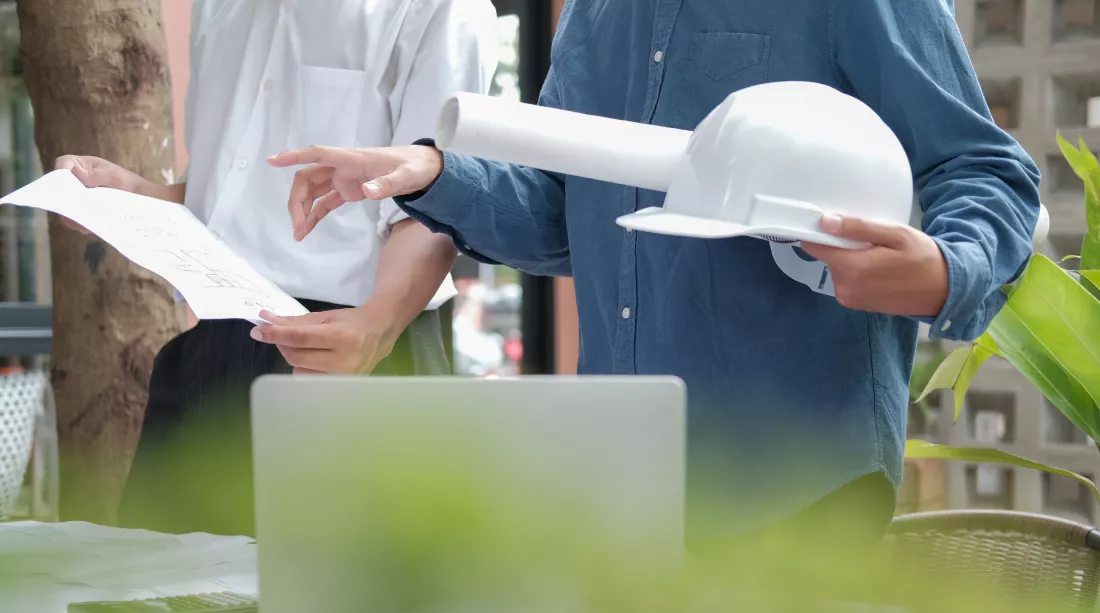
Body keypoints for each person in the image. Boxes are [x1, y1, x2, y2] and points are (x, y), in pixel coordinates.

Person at [255, 0, 1041, 550]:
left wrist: (949, 268)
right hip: (620, 475)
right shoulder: (594, 12)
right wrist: (430, 174)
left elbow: (981, 166)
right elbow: (565, 214)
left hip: (794, 482)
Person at [55, 0, 498, 536]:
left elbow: (436, 204)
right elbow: (228, 197)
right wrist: (134, 194)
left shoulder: (441, 8)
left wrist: (377, 326)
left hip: (357, 354)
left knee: (344, 584)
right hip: (211, 354)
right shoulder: (219, 8)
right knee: (156, 578)